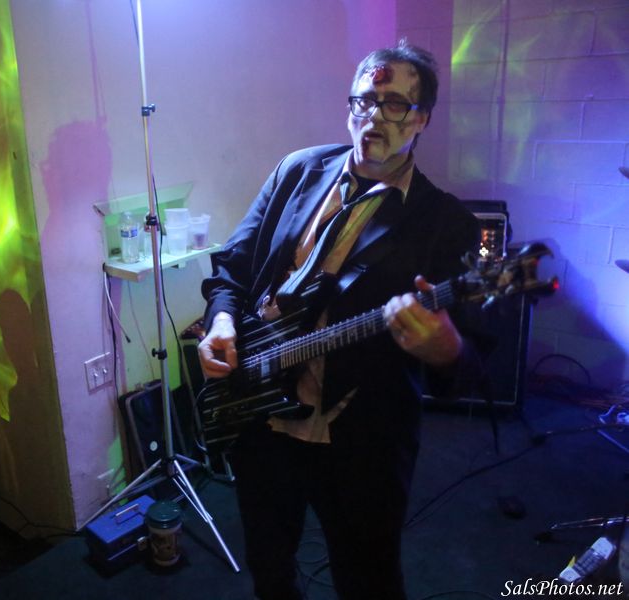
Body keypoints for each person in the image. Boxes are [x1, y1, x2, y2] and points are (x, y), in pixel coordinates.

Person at [197, 41, 484, 600]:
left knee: (369, 579)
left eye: (394, 104)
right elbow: (233, 267)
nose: (373, 116)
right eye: (363, 101)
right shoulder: (297, 170)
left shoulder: (445, 222)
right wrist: (222, 321)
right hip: (260, 414)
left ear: (422, 118)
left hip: (362, 439)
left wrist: (446, 348)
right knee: (269, 567)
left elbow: (471, 363)